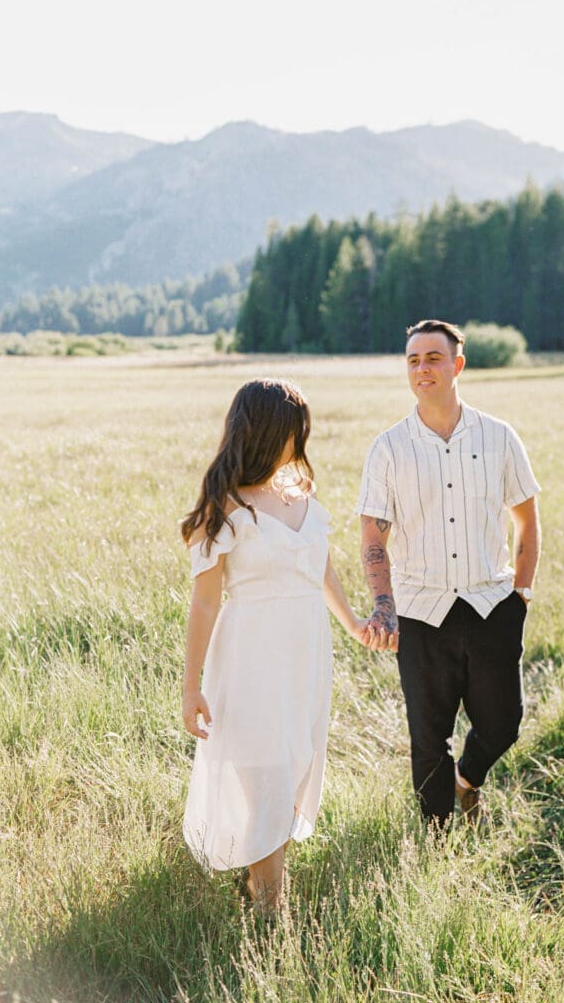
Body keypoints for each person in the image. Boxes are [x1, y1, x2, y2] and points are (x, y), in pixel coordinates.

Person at [180, 379, 370, 914]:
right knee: (268, 781)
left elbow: (321, 568)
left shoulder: (299, 496)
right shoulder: (226, 508)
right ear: (268, 431)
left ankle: (261, 887)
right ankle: (272, 912)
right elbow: (204, 605)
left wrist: (354, 622)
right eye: (295, 427)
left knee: (292, 774)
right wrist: (191, 687)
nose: (304, 436)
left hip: (306, 656)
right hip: (251, 659)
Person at [357, 319, 541, 828]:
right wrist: (384, 606)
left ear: (457, 365)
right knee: (427, 737)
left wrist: (520, 595)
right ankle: (438, 841)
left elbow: (526, 520)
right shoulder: (388, 448)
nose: (422, 369)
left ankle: (469, 778)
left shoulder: (500, 436)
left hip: (491, 605)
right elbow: (374, 538)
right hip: (420, 612)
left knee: (503, 724)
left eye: (433, 358)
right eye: (413, 360)